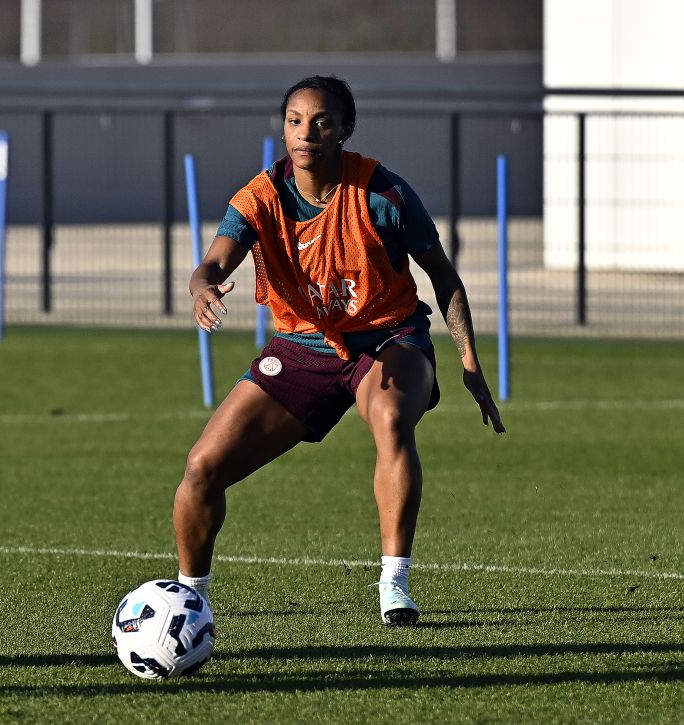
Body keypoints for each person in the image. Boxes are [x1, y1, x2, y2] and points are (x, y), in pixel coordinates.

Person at [173, 75, 505, 626]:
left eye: (323, 121)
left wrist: (470, 364)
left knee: (392, 419)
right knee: (202, 467)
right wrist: (202, 287)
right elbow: (212, 264)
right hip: (302, 348)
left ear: (346, 129)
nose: (307, 133)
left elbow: (444, 279)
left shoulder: (383, 194)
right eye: (296, 121)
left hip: (388, 339)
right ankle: (189, 599)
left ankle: (394, 583)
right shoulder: (259, 199)